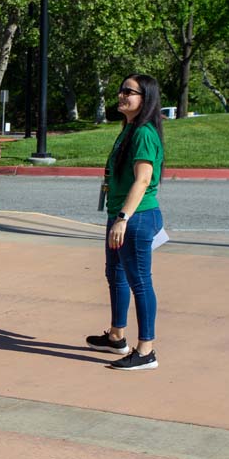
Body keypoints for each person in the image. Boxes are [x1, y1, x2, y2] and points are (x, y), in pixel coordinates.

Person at [87, 74, 165, 371]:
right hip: (119, 214)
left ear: (145, 98)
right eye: (121, 90)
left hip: (136, 217)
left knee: (140, 281)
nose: (121, 95)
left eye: (128, 92)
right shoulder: (129, 128)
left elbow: (143, 179)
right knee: (115, 274)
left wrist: (123, 218)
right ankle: (117, 335)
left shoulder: (144, 132)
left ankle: (146, 350)